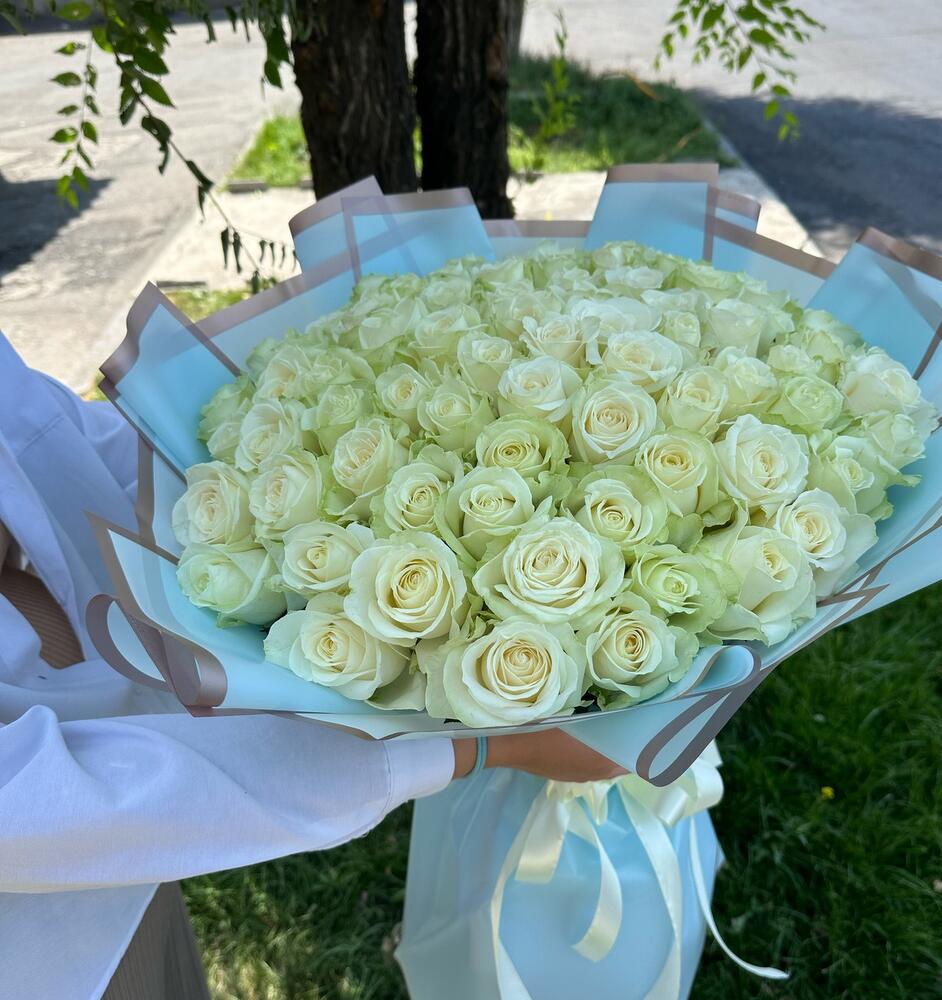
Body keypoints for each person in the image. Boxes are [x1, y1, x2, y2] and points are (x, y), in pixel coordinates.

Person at [0, 333, 623, 999]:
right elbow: (35, 803)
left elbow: (46, 437)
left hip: (118, 867)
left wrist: (279, 443)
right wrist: (482, 746)